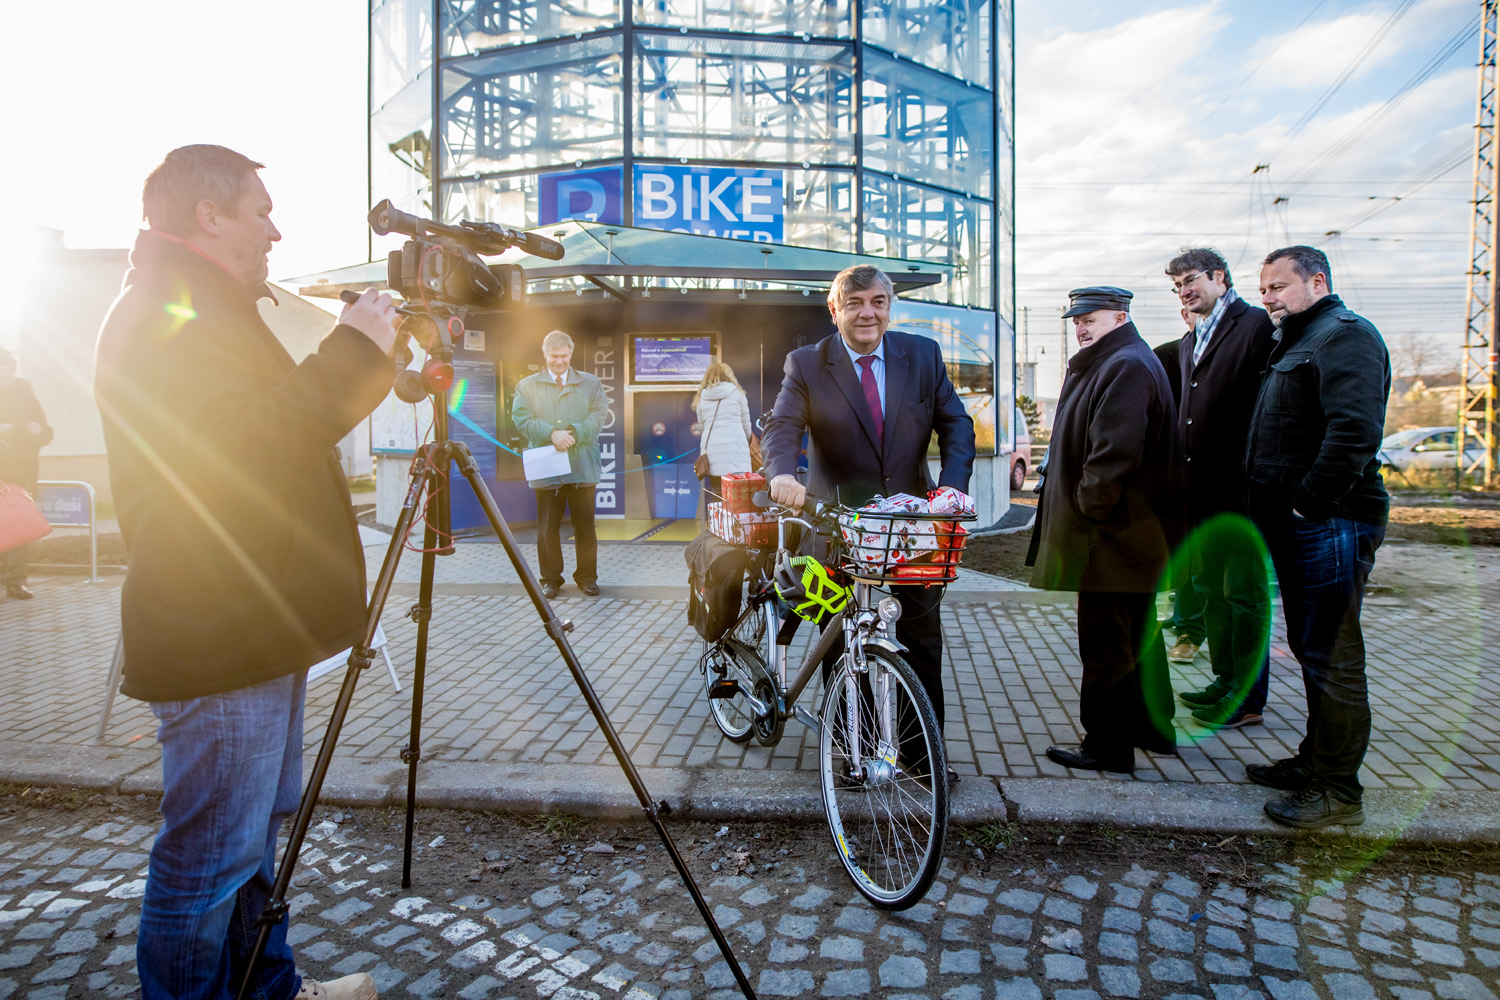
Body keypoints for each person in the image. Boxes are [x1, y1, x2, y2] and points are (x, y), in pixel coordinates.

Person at [94, 144, 397, 1000]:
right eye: (259, 210)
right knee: (209, 860)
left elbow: (272, 429)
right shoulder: (164, 314)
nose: (275, 228)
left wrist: (364, 358)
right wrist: (350, 351)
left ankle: (269, 990)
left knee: (255, 840)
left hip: (255, 625)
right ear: (208, 215)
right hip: (218, 630)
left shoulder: (205, 307)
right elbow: (239, 450)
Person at [765, 264, 975, 781]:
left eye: (878, 302)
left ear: (889, 307)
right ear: (835, 310)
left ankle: (923, 761)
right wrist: (781, 475)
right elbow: (783, 427)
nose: (868, 313)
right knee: (843, 646)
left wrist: (952, 485)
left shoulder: (922, 356)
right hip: (837, 528)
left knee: (921, 643)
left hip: (912, 529)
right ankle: (853, 755)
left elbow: (956, 422)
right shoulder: (807, 364)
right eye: (855, 303)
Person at [1243, 245, 1389, 829]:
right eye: (1264, 290)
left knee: (1333, 656)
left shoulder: (1344, 335)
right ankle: (1314, 763)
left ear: (1317, 280)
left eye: (1278, 286)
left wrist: (1307, 503)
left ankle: (1337, 792)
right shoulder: (1300, 338)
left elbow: (1354, 431)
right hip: (1304, 523)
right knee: (1313, 650)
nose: (1269, 298)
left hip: (1332, 521)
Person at [1027, 286, 1177, 774]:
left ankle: (1108, 747)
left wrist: (1086, 514)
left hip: (1112, 537)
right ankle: (1153, 730)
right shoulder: (1117, 360)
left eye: (1091, 318)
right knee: (1136, 639)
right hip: (1129, 536)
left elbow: (1113, 455)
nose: (1081, 327)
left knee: (1106, 646)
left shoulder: (1126, 366)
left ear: (1120, 316)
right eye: (1076, 320)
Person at [1166, 247, 1278, 731]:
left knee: (1245, 598)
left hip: (1242, 493)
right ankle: (1223, 679)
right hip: (1201, 494)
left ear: (1219, 277)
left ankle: (1246, 696)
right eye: (1177, 287)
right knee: (1211, 592)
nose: (1185, 291)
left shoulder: (1255, 326)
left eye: (1191, 280)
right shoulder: (1193, 339)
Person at [512, 330, 609, 599]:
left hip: (582, 467)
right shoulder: (527, 386)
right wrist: (551, 434)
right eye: (554, 356)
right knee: (547, 527)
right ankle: (551, 580)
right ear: (545, 355)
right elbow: (522, 420)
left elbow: (598, 417)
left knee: (586, 527)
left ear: (571, 354)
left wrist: (575, 433)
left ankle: (587, 578)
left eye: (564, 356)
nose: (559, 361)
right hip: (547, 468)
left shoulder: (591, 383)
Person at [1151, 333, 1205, 662]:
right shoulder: (1168, 354)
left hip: (1208, 480)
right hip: (1174, 477)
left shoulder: (1230, 352)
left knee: (1201, 566)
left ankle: (1190, 631)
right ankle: (1183, 620)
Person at [0, 348, 53, 599]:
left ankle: (16, 581)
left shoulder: (24, 390)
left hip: (22, 472)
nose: (6, 374)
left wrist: (37, 430)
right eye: (2, 369)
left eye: (10, 369)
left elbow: (46, 430)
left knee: (19, 523)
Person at [694, 360, 755, 512]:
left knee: (718, 493)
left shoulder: (702, 397)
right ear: (729, 375)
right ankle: (738, 530)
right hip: (736, 451)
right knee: (738, 494)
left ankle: (719, 529)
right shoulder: (737, 394)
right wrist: (747, 443)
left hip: (712, 453)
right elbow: (747, 425)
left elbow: (701, 426)